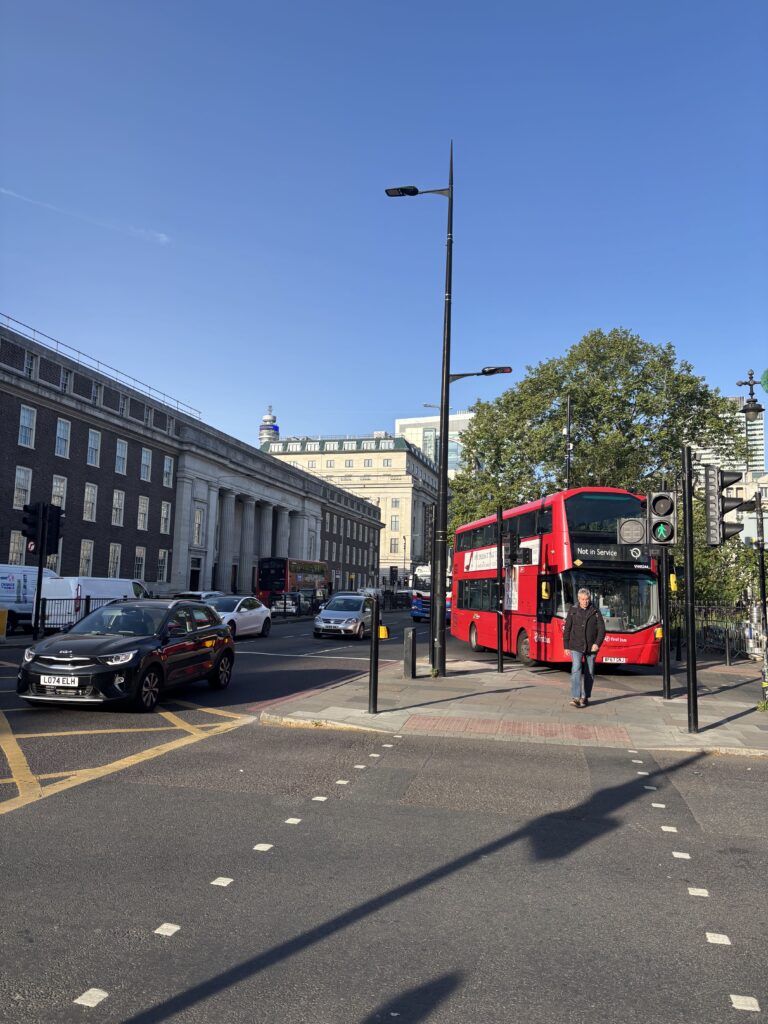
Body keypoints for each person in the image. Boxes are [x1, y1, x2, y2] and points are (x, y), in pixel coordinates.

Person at [563, 587, 605, 708]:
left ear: (589, 599)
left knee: (589, 672)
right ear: (578, 599)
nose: (585, 601)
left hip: (591, 647)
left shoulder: (595, 611)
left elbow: (602, 629)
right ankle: (576, 697)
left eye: (587, 599)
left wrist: (597, 643)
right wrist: (566, 645)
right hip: (576, 645)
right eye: (582, 599)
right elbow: (567, 629)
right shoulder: (573, 610)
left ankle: (585, 696)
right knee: (576, 668)